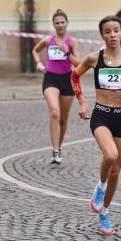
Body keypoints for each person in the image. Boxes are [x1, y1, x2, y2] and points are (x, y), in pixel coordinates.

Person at [70, 15, 121, 235]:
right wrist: (82, 101)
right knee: (111, 156)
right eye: (107, 31)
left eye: (116, 30)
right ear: (102, 35)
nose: (112, 35)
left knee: (116, 171)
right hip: (101, 115)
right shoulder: (95, 58)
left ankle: (104, 211)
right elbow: (74, 77)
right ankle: (100, 187)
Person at [32, 9, 80, 164]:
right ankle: (54, 151)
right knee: (54, 112)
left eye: (62, 22)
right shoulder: (48, 40)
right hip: (51, 79)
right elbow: (35, 50)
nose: (60, 25)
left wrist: (67, 53)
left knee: (63, 119)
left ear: (67, 23)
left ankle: (59, 148)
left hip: (67, 80)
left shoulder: (72, 42)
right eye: (57, 23)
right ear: (53, 25)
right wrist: (38, 62)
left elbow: (79, 65)